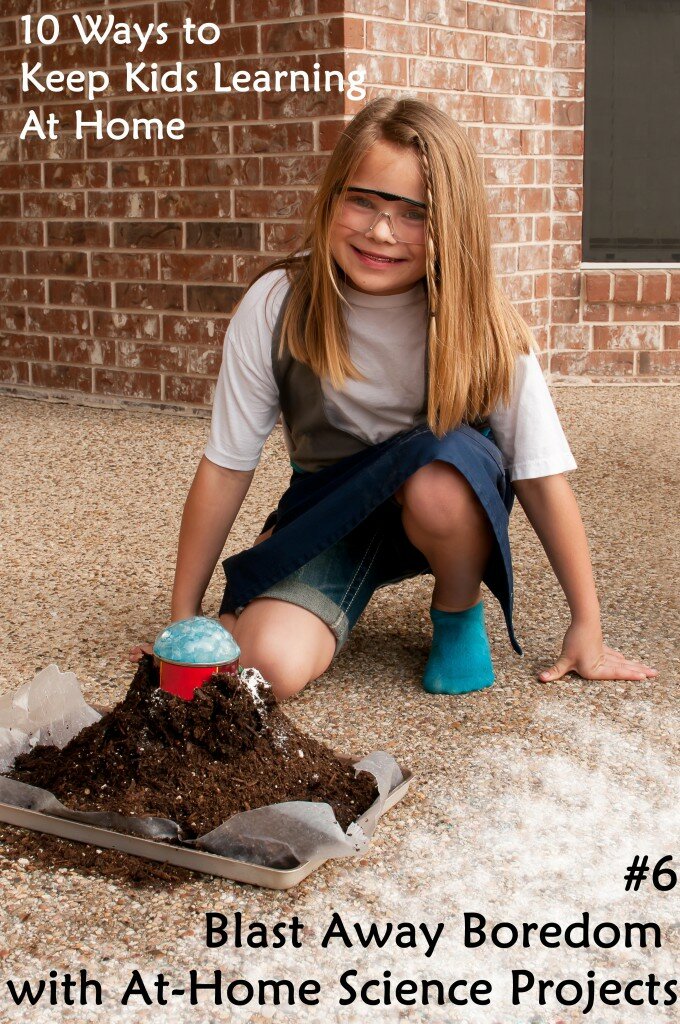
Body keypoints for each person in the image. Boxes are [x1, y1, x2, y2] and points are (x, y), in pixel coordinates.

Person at [128, 98, 656, 700]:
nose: (381, 231)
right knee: (264, 671)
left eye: (414, 214)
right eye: (363, 200)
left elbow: (541, 474)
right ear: (331, 197)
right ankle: (268, 601)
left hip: (445, 508)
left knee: (438, 476)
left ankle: (456, 612)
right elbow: (226, 465)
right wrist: (184, 615)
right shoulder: (279, 302)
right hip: (331, 511)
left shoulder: (481, 320)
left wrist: (586, 625)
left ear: (451, 224)